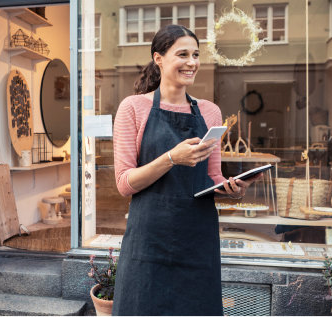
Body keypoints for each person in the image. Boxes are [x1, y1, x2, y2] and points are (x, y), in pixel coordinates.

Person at [112, 25, 262, 316]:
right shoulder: (133, 108)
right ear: (159, 58)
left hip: (198, 237)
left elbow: (213, 177)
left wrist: (231, 189)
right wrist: (171, 157)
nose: (192, 62)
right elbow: (124, 183)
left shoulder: (210, 112)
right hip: (149, 240)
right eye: (182, 54)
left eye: (196, 54)